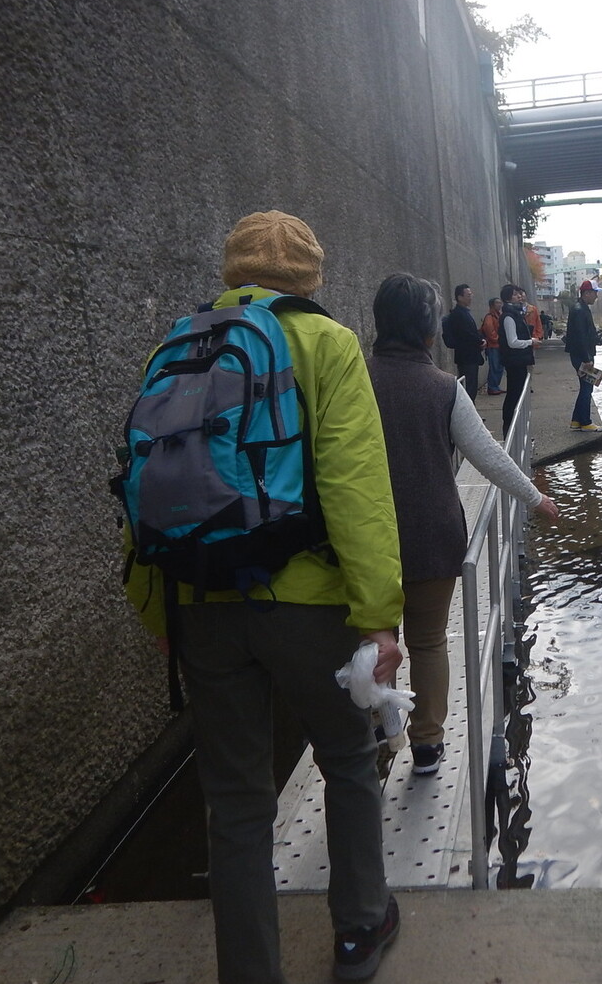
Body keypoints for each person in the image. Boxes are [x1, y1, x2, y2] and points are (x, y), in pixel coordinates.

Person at [123, 211, 403, 982]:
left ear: (231, 270)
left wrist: (160, 612)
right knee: (347, 757)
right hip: (308, 605)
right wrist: (379, 617)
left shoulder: (175, 348)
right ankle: (360, 927)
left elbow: (143, 488)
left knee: (237, 802)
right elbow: (356, 489)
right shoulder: (327, 342)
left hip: (201, 602)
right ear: (310, 275)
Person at [366, 274, 559, 775]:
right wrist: (535, 496)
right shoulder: (443, 389)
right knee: (428, 641)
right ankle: (427, 744)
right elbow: (488, 456)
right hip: (432, 536)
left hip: (363, 540)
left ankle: (383, 730)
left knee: (373, 641)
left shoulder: (353, 383)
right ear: (429, 329)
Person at [498, 284, 540, 437]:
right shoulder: (509, 317)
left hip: (519, 361)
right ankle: (510, 431)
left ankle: (515, 432)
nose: (519, 296)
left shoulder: (515, 314)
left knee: (517, 395)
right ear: (508, 298)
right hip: (514, 362)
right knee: (514, 396)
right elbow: (512, 342)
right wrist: (530, 341)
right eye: (516, 294)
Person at [565, 278, 602, 431]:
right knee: (587, 388)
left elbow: (585, 333)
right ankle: (586, 422)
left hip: (579, 354)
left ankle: (576, 421)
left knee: (585, 387)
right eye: (595, 293)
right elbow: (580, 336)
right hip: (582, 356)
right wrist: (587, 358)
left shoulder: (580, 308)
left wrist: (597, 340)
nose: (596, 296)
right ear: (587, 293)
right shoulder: (580, 310)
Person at [442, 282, 484, 401]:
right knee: (469, 387)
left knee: (471, 385)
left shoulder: (464, 312)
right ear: (460, 297)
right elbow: (467, 334)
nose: (471, 297)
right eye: (468, 295)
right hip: (466, 356)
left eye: (471, 294)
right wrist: (480, 341)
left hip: (469, 355)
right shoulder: (459, 314)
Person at [480, 297, 505, 395]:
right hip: (493, 346)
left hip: (498, 345)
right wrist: (498, 339)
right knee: (494, 367)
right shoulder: (489, 317)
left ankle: (495, 386)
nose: (500, 305)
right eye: (497, 303)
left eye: (500, 302)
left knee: (499, 367)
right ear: (492, 305)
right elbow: (490, 331)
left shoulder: (498, 316)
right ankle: (492, 387)